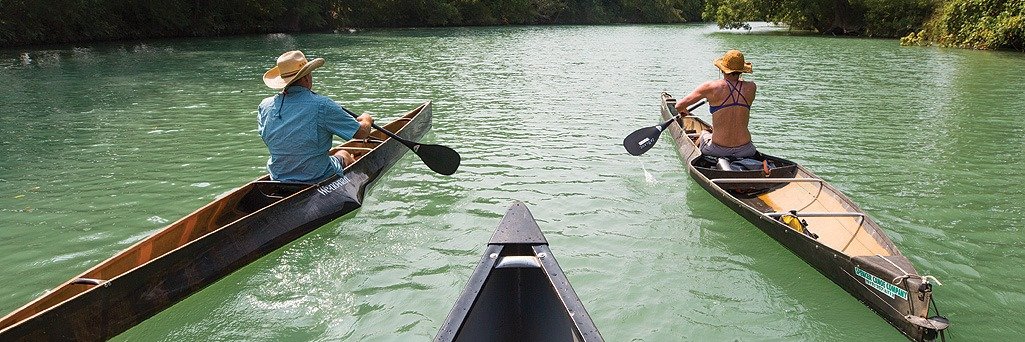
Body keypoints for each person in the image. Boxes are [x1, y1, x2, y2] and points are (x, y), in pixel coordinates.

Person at [258, 50, 374, 182]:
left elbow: (268, 138)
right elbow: (361, 133)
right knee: (344, 154)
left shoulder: (265, 105)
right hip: (316, 176)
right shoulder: (322, 105)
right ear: (306, 77)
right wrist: (366, 119)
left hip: (278, 176)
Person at [675, 49, 758, 159]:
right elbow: (738, 85)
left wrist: (684, 112)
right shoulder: (751, 87)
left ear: (722, 69)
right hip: (746, 150)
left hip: (718, 149)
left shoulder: (711, 88)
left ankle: (695, 157)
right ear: (742, 71)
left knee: (704, 133)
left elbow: (679, 106)